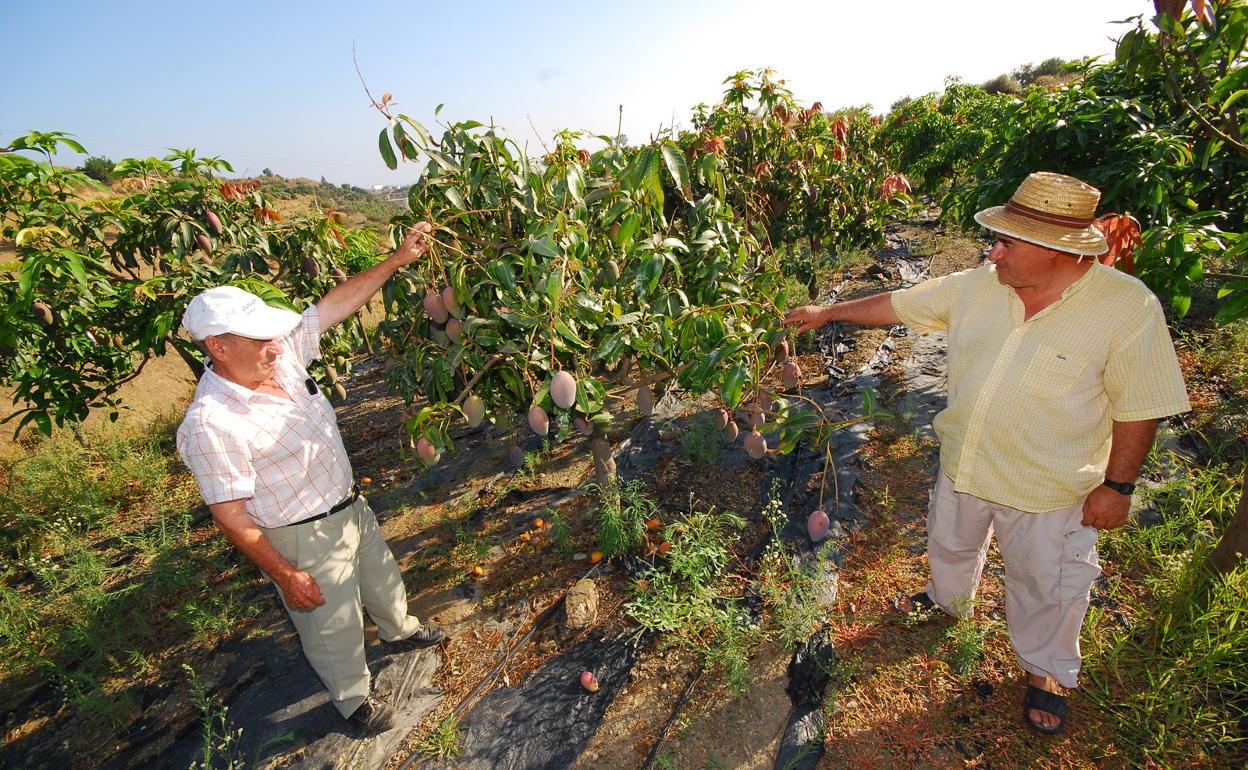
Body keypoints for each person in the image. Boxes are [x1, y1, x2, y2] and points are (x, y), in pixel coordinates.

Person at [784, 172, 1189, 734]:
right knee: (949, 544)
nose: (993, 252)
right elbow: (899, 304)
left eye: (1007, 242)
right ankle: (947, 600)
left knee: (1044, 583)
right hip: (966, 464)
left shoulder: (1125, 308)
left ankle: (1045, 669)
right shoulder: (980, 286)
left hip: (1047, 488)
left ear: (1056, 250)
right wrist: (828, 314)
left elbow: (1140, 405)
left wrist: (1117, 487)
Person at [176, 222, 444, 734]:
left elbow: (335, 305)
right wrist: (286, 573)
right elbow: (230, 516)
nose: (274, 346)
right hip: (300, 535)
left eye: (273, 336)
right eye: (258, 341)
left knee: (383, 581)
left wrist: (396, 261)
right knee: (332, 628)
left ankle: (399, 630)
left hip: (348, 506)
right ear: (217, 346)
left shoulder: (281, 357)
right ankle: (353, 700)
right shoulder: (213, 423)